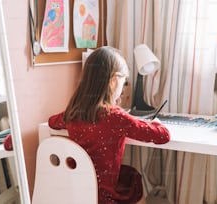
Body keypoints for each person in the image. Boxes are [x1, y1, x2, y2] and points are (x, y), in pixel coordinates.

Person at [48, 46, 170, 204]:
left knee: (128, 173)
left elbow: (52, 122)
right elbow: (163, 136)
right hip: (105, 195)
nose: (123, 88)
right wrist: (156, 123)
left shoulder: (73, 113)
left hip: (79, 189)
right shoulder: (116, 117)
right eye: (123, 82)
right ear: (113, 81)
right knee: (133, 178)